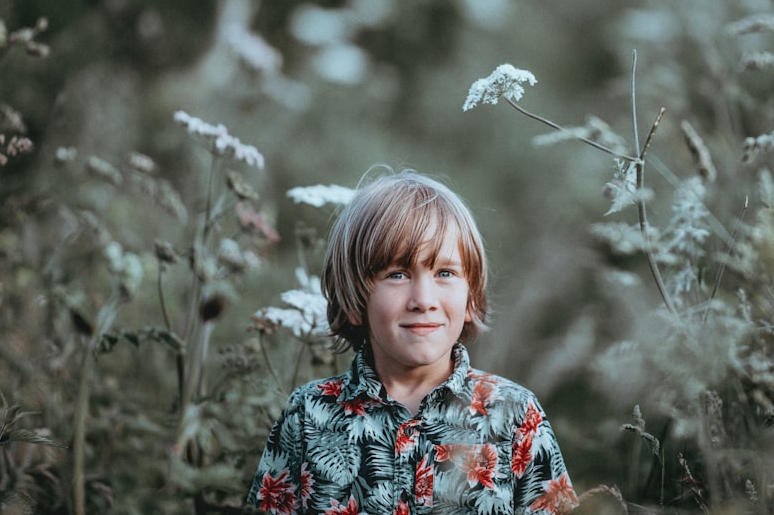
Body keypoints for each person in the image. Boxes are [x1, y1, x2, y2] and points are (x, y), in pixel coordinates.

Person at [247, 169, 579, 514]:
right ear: (355, 300)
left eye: (445, 274)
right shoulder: (307, 416)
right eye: (397, 275)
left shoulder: (515, 416)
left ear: (470, 297)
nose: (423, 299)